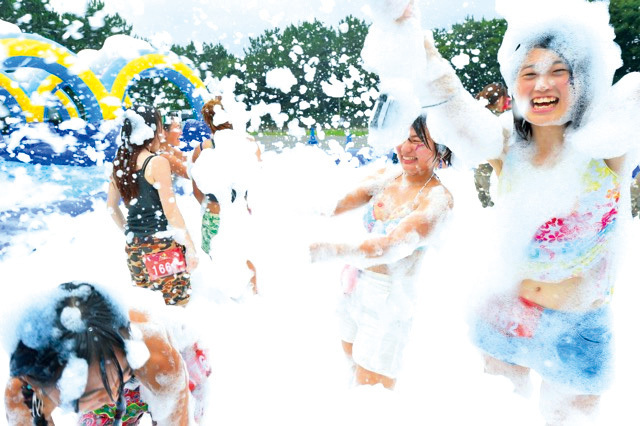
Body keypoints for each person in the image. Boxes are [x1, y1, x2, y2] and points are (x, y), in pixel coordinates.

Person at [414, 0, 640, 422]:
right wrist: (429, 66)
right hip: (505, 312)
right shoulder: (505, 144)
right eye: (529, 73)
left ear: (581, 80)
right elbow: (460, 121)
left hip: (579, 327)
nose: (542, 84)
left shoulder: (607, 146)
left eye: (558, 71)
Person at [310, 115, 453, 389]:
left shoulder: (437, 199)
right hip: (354, 284)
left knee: (373, 389)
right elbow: (334, 205)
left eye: (416, 142)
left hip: (390, 298)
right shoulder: (388, 178)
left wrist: (326, 250)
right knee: (351, 369)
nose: (404, 148)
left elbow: (390, 247)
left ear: (441, 148)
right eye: (403, 138)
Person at [3, 282, 207, 425]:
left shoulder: (154, 355)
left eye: (116, 381)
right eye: (93, 394)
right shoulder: (25, 395)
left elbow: (176, 420)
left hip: (177, 353)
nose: (111, 399)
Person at [107, 105, 198, 306]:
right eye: (158, 128)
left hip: (134, 250)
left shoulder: (120, 163)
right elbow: (171, 210)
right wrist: (190, 247)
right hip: (162, 246)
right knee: (176, 310)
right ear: (148, 131)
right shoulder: (156, 162)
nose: (161, 135)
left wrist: (131, 233)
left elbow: (111, 208)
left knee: (150, 313)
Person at [191, 97, 260, 294]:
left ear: (208, 121)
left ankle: (225, 305)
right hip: (241, 213)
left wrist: (211, 205)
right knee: (247, 258)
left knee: (216, 262)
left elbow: (197, 192)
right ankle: (253, 299)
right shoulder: (249, 144)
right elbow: (258, 181)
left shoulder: (203, 149)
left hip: (214, 214)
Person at [473, 82, 511, 208]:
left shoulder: (478, 114)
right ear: (500, 99)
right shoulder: (499, 119)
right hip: (494, 168)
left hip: (480, 168)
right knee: (499, 203)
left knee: (486, 205)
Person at [158, 114, 188, 179]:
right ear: (164, 132)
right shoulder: (164, 156)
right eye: (178, 127)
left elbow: (189, 159)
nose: (181, 132)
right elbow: (193, 174)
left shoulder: (170, 150)